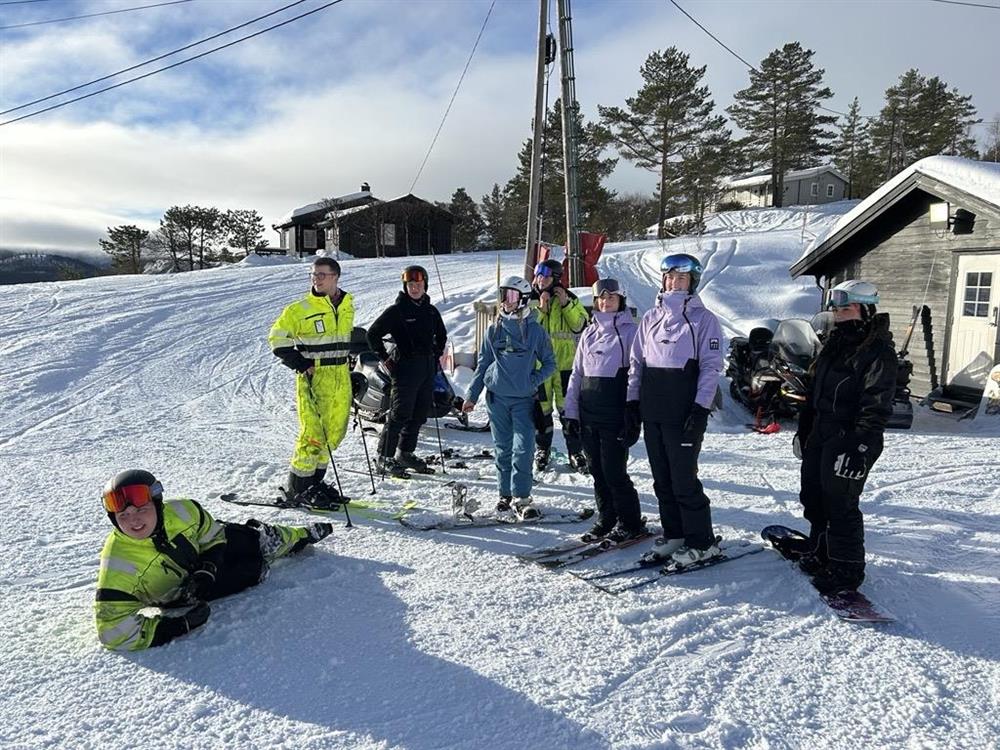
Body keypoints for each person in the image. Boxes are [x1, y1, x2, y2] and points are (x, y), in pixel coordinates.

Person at [94, 469, 332, 651]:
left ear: (157, 504)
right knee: (250, 569)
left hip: (203, 560)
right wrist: (181, 626)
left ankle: (294, 537)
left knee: (246, 539)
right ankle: (262, 563)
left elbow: (213, 535)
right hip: (181, 591)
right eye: (123, 515)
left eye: (141, 509)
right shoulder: (117, 563)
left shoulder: (183, 510)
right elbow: (112, 632)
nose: (133, 521)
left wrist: (207, 568)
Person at [792, 280, 897, 593]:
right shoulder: (835, 343)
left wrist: (860, 446)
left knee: (840, 503)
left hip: (851, 437)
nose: (839, 313)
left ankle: (846, 570)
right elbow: (815, 394)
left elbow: (876, 405)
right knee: (813, 495)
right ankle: (821, 551)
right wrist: (804, 429)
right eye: (836, 308)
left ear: (865, 309)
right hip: (822, 432)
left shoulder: (878, 352)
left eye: (847, 307)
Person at [628, 253, 724, 567]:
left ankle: (702, 542)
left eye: (681, 278)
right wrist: (632, 403)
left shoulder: (703, 319)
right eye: (670, 276)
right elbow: (636, 365)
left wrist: (699, 409)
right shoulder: (650, 318)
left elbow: (711, 367)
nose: (675, 282)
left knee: (684, 480)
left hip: (683, 413)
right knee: (662, 479)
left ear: (692, 281)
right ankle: (676, 535)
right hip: (653, 410)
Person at [462, 276, 556, 519]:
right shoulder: (494, 329)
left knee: (524, 448)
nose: (506, 301)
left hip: (524, 400)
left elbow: (549, 364)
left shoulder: (535, 331)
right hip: (497, 400)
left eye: (512, 296)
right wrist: (472, 395)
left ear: (523, 299)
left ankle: (522, 496)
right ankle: (504, 494)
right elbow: (483, 366)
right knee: (502, 448)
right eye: (503, 294)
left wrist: (530, 381)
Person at [563, 278, 646, 543]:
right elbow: (577, 374)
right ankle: (606, 517)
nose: (605, 302)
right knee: (596, 469)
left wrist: (633, 411)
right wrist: (571, 413)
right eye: (600, 298)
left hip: (614, 411)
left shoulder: (630, 332)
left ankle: (630, 521)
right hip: (589, 411)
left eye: (610, 298)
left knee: (614, 471)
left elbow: (636, 374)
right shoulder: (589, 332)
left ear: (620, 300)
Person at [268, 257, 354, 504]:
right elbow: (277, 338)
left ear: (335, 277)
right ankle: (298, 487)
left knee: (333, 434)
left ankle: (315, 483)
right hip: (314, 379)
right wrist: (301, 363)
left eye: (322, 275)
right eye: (314, 274)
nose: (316, 279)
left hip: (341, 379)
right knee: (313, 434)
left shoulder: (348, 304)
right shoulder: (299, 309)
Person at [366, 265, 448, 477]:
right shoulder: (397, 311)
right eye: (411, 285)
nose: (414, 289)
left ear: (425, 286)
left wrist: (436, 353)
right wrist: (385, 359)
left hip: (427, 369)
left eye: (418, 285)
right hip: (404, 370)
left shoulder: (430, 311)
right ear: (405, 286)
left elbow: (442, 334)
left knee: (419, 414)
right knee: (400, 413)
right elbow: (373, 335)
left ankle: (405, 453)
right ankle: (384, 457)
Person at [529, 258, 590, 474]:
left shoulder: (570, 299)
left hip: (566, 367)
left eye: (544, 276)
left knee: (569, 410)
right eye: (537, 276)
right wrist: (542, 309)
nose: (539, 280)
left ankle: (575, 451)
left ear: (555, 279)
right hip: (540, 369)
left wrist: (565, 304)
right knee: (541, 411)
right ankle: (542, 448)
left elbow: (580, 325)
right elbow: (525, 330)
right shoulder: (530, 301)